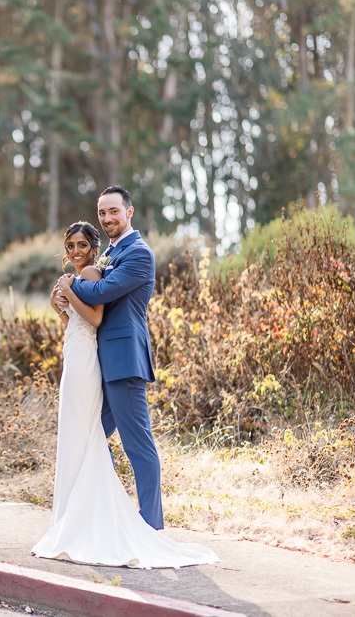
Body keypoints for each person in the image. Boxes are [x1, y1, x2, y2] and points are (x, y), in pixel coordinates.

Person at [31, 195, 217, 568]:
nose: (107, 217)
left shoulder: (139, 253)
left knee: (138, 446)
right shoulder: (108, 255)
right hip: (98, 366)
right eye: (102, 212)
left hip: (123, 362)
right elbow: (91, 300)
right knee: (89, 440)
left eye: (113, 211)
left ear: (129, 212)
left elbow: (101, 294)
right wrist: (65, 298)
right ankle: (98, 520)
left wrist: (67, 286)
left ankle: (151, 529)